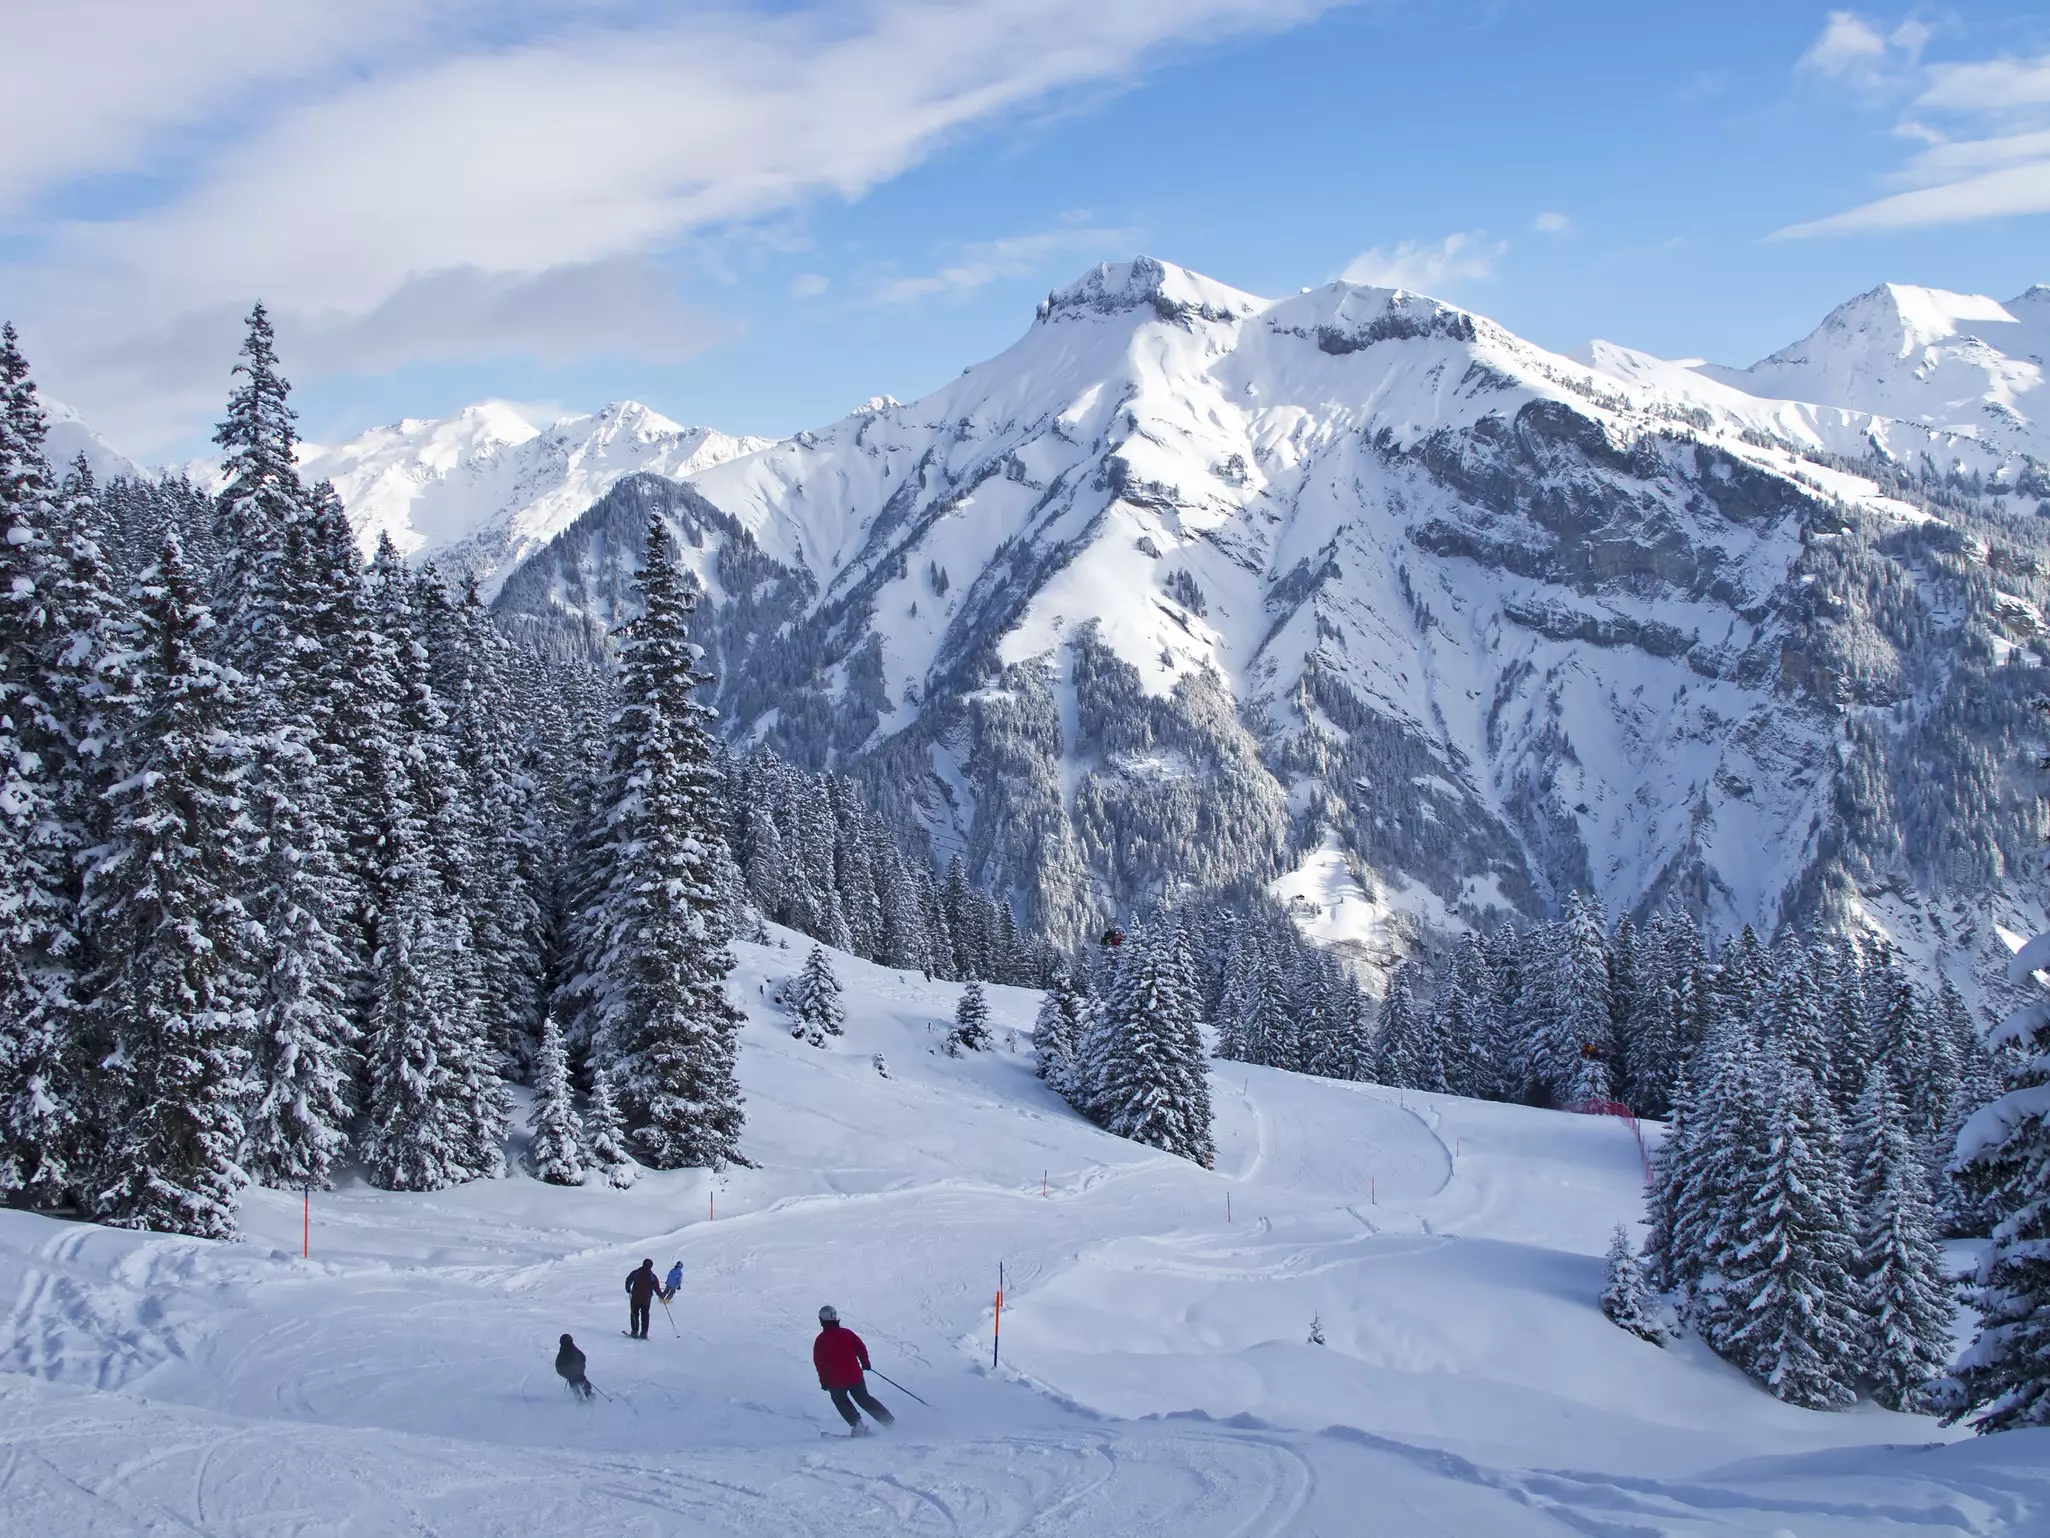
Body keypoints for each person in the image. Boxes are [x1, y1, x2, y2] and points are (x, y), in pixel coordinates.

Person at [813, 1304, 894, 1435]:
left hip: (836, 1381)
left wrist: (824, 1381)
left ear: (821, 1320)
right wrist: (865, 1363)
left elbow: (819, 1363)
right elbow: (860, 1348)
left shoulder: (821, 1340)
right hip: (854, 1376)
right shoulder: (847, 1333)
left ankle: (858, 1426)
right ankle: (888, 1421)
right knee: (864, 1398)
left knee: (839, 1399)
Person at [625, 1258, 658, 1338]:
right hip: (646, 1300)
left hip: (635, 1298)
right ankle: (644, 1333)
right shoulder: (652, 1276)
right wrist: (661, 1296)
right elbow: (657, 1288)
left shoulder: (636, 1272)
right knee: (645, 1315)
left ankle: (635, 1331)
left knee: (634, 1314)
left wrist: (628, 1289)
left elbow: (628, 1280)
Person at [556, 1333, 593, 1401]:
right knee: (581, 1378)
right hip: (575, 1368)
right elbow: (582, 1356)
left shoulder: (562, 1350)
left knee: (572, 1379)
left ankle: (578, 1396)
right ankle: (588, 1394)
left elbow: (558, 1362)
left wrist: (563, 1371)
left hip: (564, 1370)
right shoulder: (572, 1347)